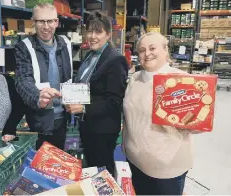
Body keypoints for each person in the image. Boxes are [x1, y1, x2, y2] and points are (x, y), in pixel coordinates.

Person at [123, 32, 199, 195]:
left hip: (166, 167)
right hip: (136, 160)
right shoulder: (135, 79)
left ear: (165, 50)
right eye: (142, 50)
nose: (147, 54)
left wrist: (187, 120)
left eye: (152, 48)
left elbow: (198, 124)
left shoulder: (181, 80)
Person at [65, 11, 128, 176]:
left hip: (103, 130)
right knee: (92, 168)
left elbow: (114, 102)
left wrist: (83, 108)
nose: (92, 36)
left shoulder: (116, 60)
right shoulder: (90, 56)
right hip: (88, 126)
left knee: (102, 172)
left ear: (108, 34)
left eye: (98, 32)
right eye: (90, 31)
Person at [14, 3, 73, 150]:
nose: (46, 26)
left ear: (57, 22)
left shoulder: (65, 43)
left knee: (59, 164)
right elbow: (22, 80)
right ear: (33, 22)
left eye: (50, 21)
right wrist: (37, 97)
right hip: (39, 121)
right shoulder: (24, 47)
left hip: (64, 117)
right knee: (39, 167)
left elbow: (71, 76)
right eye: (41, 21)